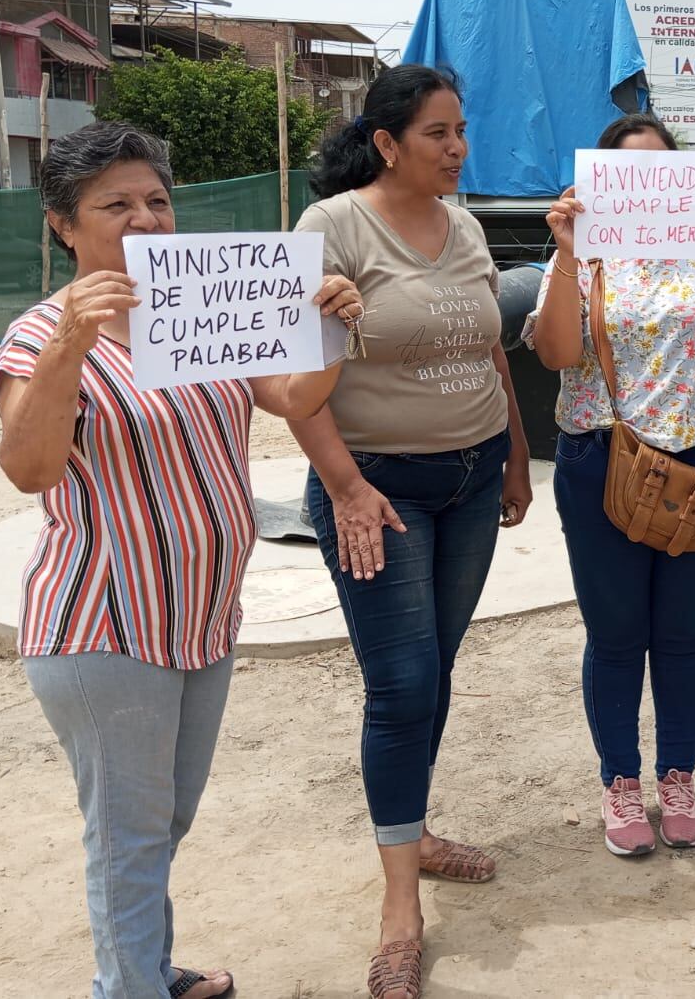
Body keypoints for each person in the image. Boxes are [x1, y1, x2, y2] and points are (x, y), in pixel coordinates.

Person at [0, 122, 363, 999]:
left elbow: (290, 396)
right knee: (128, 835)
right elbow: (29, 468)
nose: (145, 220)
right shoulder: (39, 334)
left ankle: (148, 968)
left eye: (156, 200)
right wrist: (69, 347)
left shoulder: (200, 311)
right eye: (113, 205)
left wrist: (331, 331)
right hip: (102, 624)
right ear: (63, 225)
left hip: (198, 618)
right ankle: (128, 988)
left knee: (162, 820)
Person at [290, 64, 533, 999]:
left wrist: (513, 455)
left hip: (470, 481)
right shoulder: (332, 230)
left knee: (436, 668)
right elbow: (296, 376)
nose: (458, 147)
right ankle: (400, 910)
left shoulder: (465, 225)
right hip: (377, 485)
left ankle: (414, 828)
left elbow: (488, 352)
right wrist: (344, 487)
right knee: (400, 686)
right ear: (388, 143)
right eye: (438, 133)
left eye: (462, 130)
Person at [525, 113, 695, 856]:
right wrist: (565, 254)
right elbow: (558, 353)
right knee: (617, 634)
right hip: (602, 461)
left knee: (686, 636)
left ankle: (677, 774)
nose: (645, 189)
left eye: (661, 172)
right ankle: (621, 782)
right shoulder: (584, 259)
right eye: (626, 175)